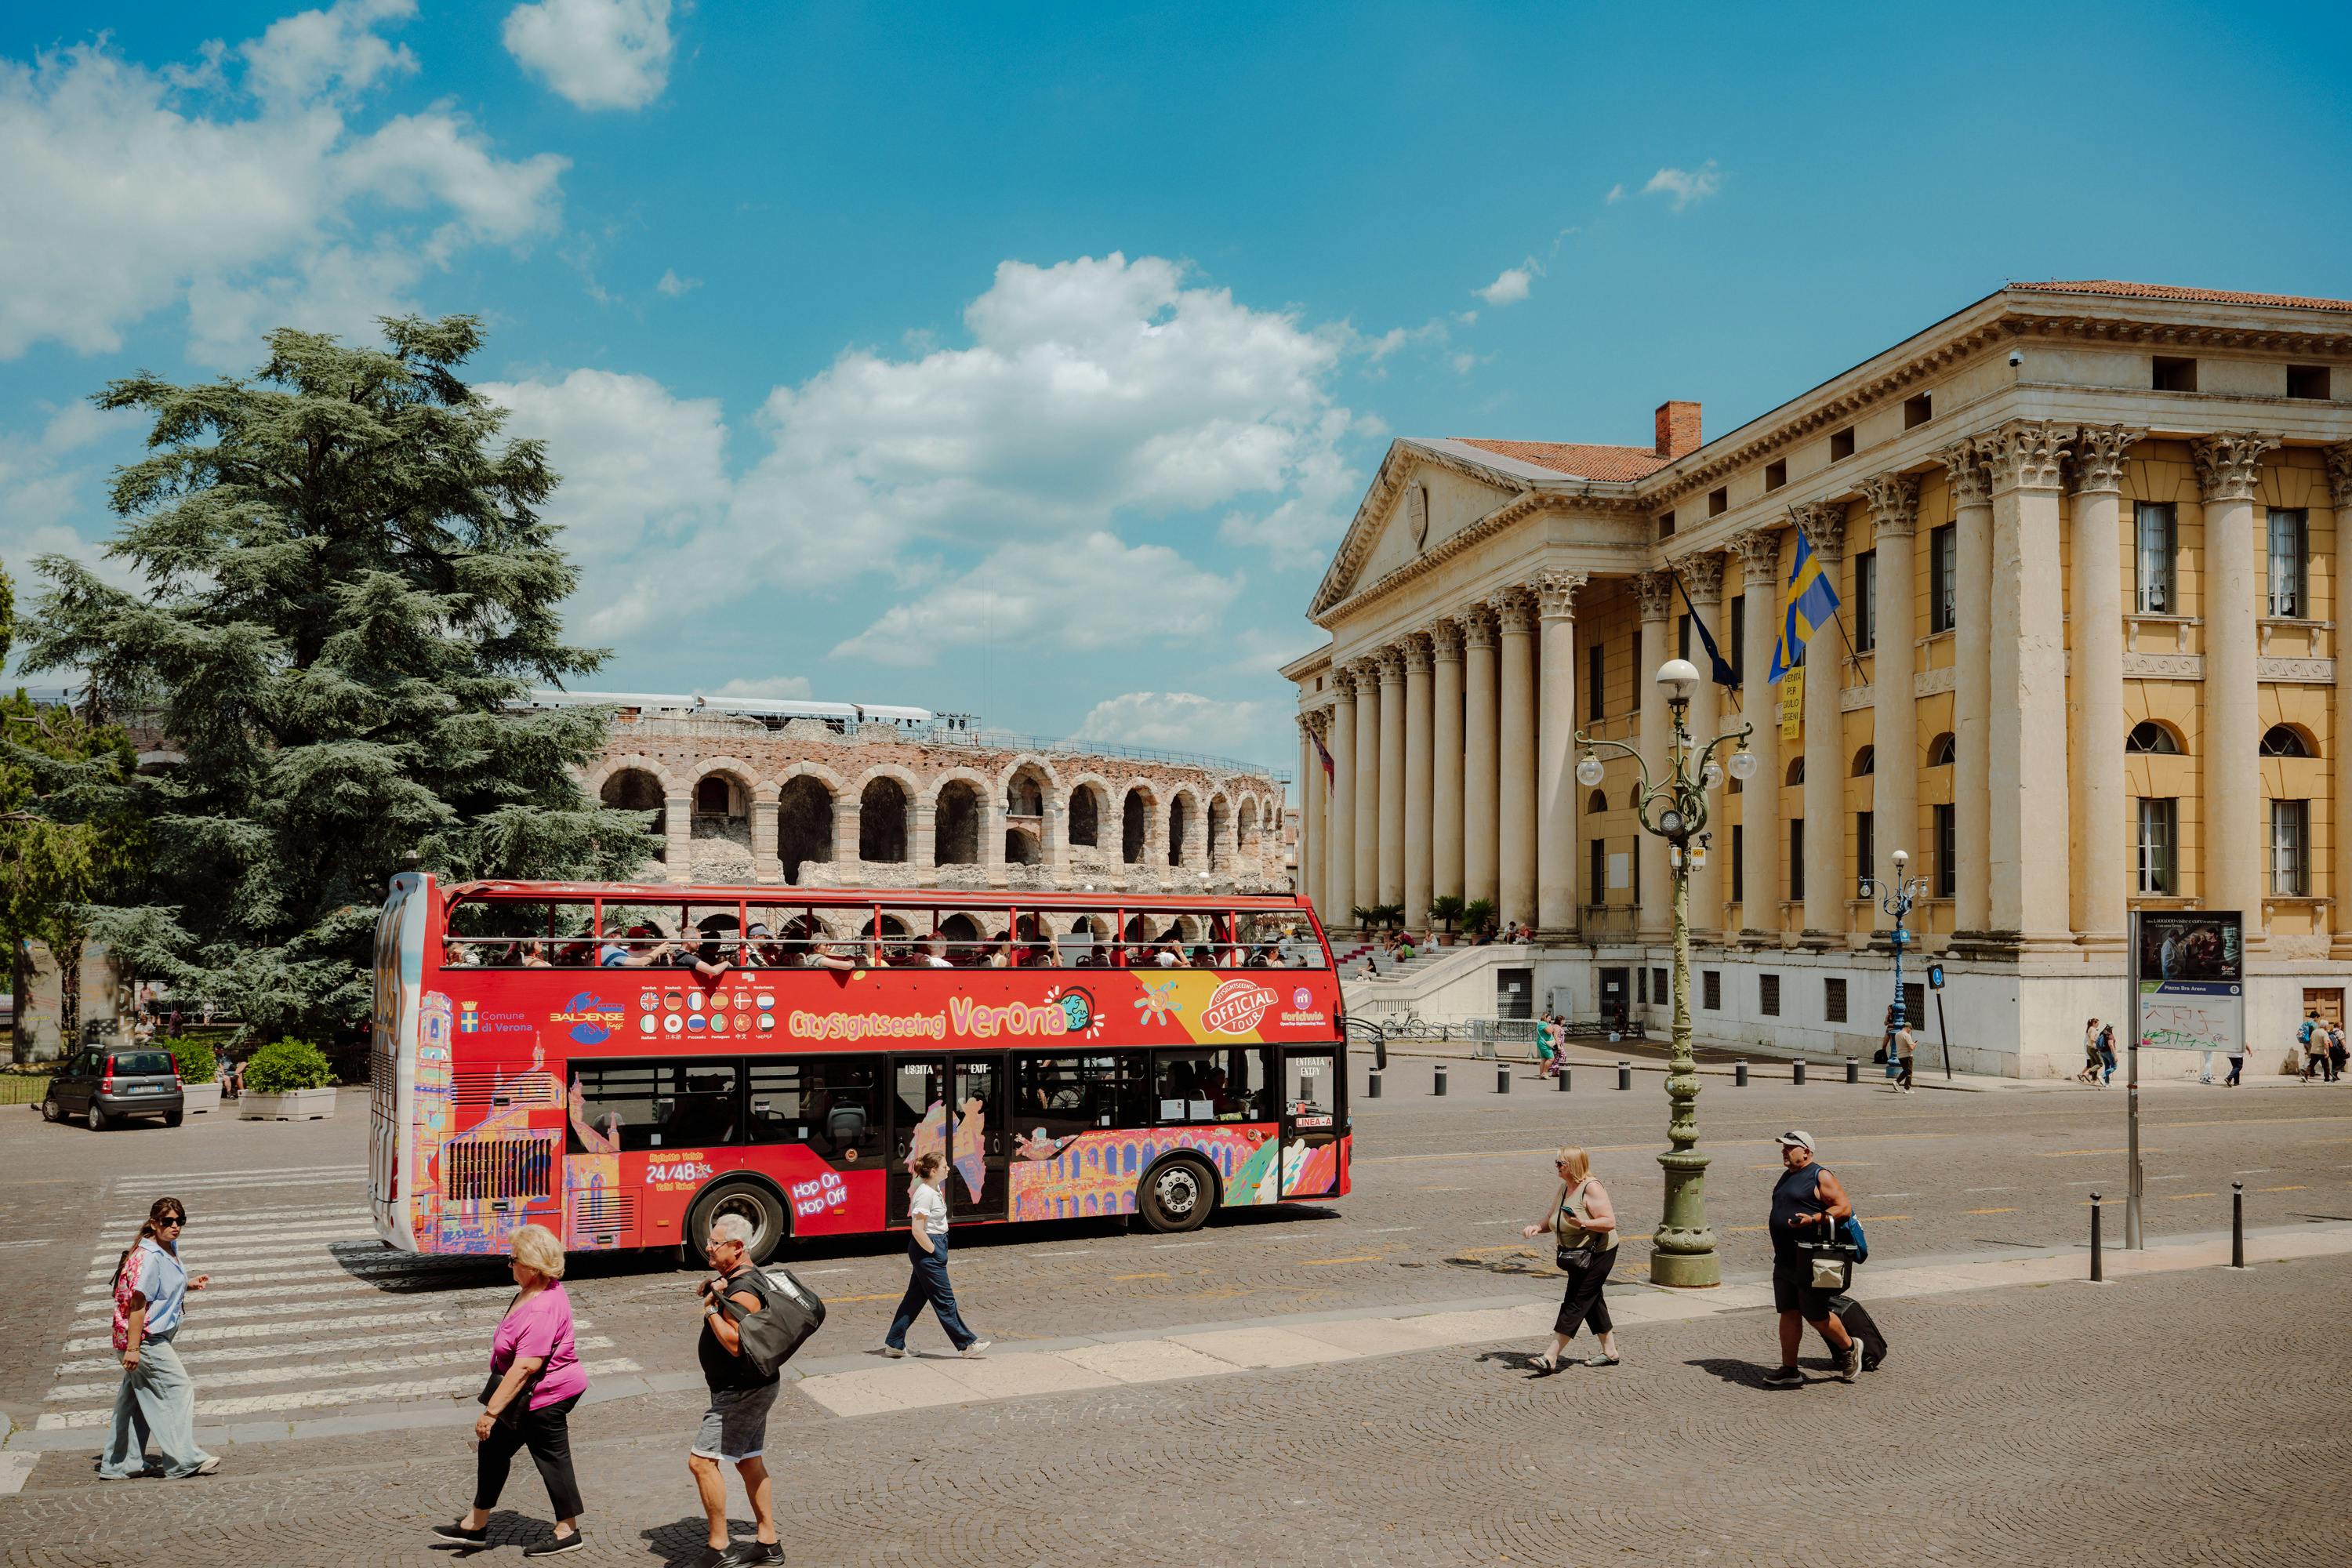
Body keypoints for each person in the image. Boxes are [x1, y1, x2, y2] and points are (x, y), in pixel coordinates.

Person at [434, 1224, 588, 1557]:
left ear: (532, 1266)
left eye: (513, 1259)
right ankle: (476, 1524)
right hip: (525, 1392)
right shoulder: (535, 1289)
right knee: (492, 1449)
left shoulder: (541, 1306)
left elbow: (526, 1366)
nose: (509, 1264)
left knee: (552, 1459)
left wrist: (491, 1412)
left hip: (546, 1395)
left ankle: (567, 1531)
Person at [98, 1196, 220, 1479]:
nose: (175, 1226)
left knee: (133, 1404)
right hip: (146, 1340)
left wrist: (186, 1285)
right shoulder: (150, 1257)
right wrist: (133, 1348)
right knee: (178, 1390)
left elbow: (158, 1289)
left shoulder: (166, 1247)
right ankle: (183, 1460)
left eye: (180, 1221)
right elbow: (137, 1304)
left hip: (148, 1337)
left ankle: (120, 1464)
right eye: (168, 1221)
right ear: (154, 1223)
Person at [688, 1214, 784, 1568]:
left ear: (738, 1247)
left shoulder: (744, 1291)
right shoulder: (741, 1278)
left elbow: (734, 1343)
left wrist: (712, 1308)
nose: (708, 1247)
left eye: (716, 1243)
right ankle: (768, 1543)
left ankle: (719, 1547)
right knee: (748, 1460)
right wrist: (716, 1286)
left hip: (741, 1390)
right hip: (751, 1386)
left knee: (701, 1462)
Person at [1764, 1131, 1860, 1385]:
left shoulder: (1820, 1175)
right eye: (1784, 1147)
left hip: (1809, 1259)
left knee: (1815, 1314)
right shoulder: (1788, 1175)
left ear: (1806, 1152)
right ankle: (1790, 1369)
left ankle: (1850, 1348)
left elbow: (1844, 1207)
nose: (1784, 1151)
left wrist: (1814, 1219)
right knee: (1788, 1311)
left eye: (1790, 1148)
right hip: (1785, 1258)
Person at [878, 1151, 989, 1361]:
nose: (948, 1168)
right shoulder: (925, 1194)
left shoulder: (933, 1188)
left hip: (933, 1246)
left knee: (914, 1298)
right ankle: (967, 1345)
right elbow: (917, 1229)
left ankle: (894, 1343)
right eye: (944, 1166)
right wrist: (934, 1251)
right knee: (945, 1300)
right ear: (933, 1170)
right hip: (928, 1249)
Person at [1520, 1147, 1621, 1371]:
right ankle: (1611, 1353)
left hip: (1598, 1253)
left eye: (1560, 1163)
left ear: (1573, 1166)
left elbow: (1609, 1222)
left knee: (1576, 1300)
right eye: (1556, 1162)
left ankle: (1550, 1356)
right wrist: (1537, 1227)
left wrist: (1582, 1223)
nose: (1556, 1167)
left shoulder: (1591, 1188)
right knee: (1591, 1299)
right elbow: (1552, 1217)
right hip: (1576, 1255)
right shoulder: (1565, 1188)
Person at [1892, 1013, 1918, 1094]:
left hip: (1900, 1056)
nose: (1910, 1031)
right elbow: (1911, 1048)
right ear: (1908, 1028)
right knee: (1909, 1073)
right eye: (1910, 1029)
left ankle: (1896, 1082)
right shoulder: (1907, 1035)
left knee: (1906, 1071)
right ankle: (1907, 1089)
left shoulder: (1897, 1034)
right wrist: (1914, 1044)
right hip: (1907, 1055)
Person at [2078, 1019, 2104, 1087]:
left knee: (2094, 1064)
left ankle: (2093, 1080)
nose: (2098, 1025)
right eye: (2097, 1023)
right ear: (2094, 1023)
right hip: (2093, 1048)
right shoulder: (2093, 1029)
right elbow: (2092, 1039)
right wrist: (2098, 1041)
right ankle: (2087, 1073)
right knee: (2100, 1064)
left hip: (2089, 1048)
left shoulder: (2089, 1029)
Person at [2096, 1021, 2118, 1087]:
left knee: (2107, 1067)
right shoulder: (2110, 1035)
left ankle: (2107, 1083)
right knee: (2114, 1067)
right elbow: (2111, 1045)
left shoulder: (2103, 1033)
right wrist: (2115, 1055)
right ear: (2111, 1028)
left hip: (2103, 1053)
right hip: (2108, 1053)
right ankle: (2102, 1076)